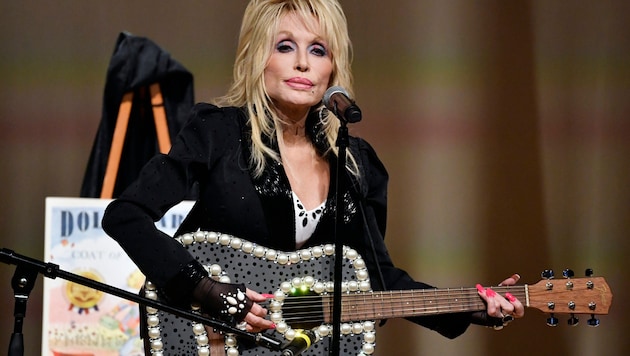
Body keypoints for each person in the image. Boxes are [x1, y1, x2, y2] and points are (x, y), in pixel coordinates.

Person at [102, 0, 524, 354]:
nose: (303, 62)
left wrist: (469, 306)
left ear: (332, 69)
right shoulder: (218, 134)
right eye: (285, 46)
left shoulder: (357, 163)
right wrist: (208, 290)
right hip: (210, 339)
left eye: (318, 50)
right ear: (257, 56)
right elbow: (125, 215)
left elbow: (374, 279)